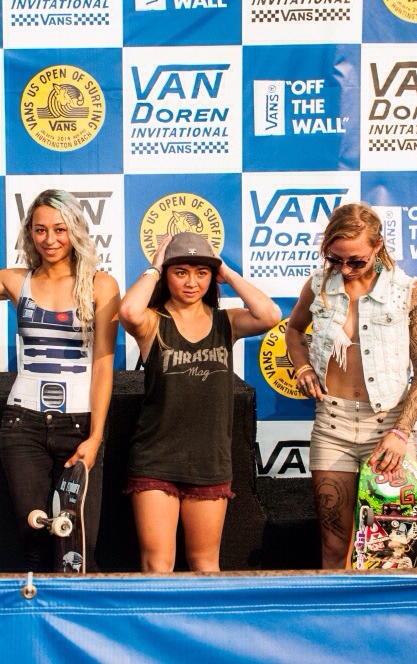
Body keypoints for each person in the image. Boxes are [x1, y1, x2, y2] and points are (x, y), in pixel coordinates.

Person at [0, 181, 119, 572]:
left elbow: (103, 365)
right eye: (40, 230)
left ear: (75, 230)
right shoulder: (15, 280)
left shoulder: (101, 284)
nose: (49, 239)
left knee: (79, 544)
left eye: (59, 229)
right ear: (30, 233)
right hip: (22, 426)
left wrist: (95, 437)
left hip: (80, 425)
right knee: (34, 539)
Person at [284, 202, 417, 569]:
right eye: (335, 259)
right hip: (331, 425)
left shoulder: (406, 290)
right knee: (334, 545)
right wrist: (302, 367)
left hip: (388, 426)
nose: (345, 269)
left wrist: (400, 432)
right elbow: (293, 330)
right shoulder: (319, 284)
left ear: (378, 246)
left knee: (390, 550)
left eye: (356, 261)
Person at [119, 232, 279, 573]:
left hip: (209, 460)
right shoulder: (152, 321)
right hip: (156, 458)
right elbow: (129, 311)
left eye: (201, 273)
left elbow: (269, 315)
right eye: (181, 272)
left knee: (205, 565)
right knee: (157, 565)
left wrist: (227, 273)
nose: (192, 282)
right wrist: (154, 267)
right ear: (167, 275)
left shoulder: (227, 322)